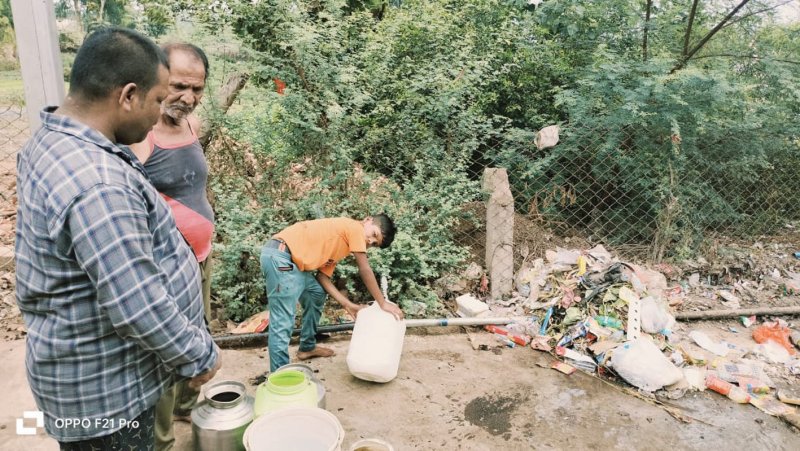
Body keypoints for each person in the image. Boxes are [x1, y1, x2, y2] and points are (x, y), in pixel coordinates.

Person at [15, 27, 220, 451]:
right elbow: (137, 304)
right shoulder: (99, 184)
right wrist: (199, 356)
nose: (158, 115)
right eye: (158, 100)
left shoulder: (58, 140)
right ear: (127, 95)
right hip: (108, 398)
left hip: (88, 379)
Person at [129, 42, 214, 450]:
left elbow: (193, 185)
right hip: (163, 267)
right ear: (157, 79)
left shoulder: (190, 126)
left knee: (198, 331)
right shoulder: (140, 137)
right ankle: (161, 440)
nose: (189, 98)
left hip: (199, 257)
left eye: (197, 89)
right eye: (180, 86)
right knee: (165, 349)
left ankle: (186, 405)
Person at [260, 215, 404, 373]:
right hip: (280, 257)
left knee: (316, 293)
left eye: (375, 244)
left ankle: (307, 348)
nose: (370, 241)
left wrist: (348, 305)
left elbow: (323, 278)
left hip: (296, 266)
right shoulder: (355, 227)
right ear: (368, 220)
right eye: (374, 235)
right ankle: (280, 379)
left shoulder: (341, 245)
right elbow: (364, 269)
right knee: (283, 321)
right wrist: (382, 303)